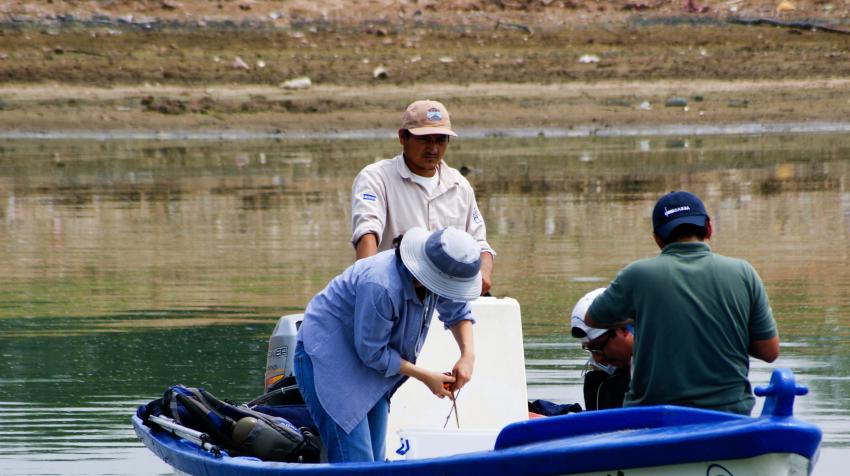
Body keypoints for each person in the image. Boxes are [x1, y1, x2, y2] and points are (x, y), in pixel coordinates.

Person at [293, 227, 480, 463]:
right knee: (357, 463)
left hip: (371, 362)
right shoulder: (381, 285)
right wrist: (426, 377)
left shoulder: (435, 273)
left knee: (377, 464)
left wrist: (467, 356)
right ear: (427, 278)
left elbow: (458, 309)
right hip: (329, 357)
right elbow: (373, 352)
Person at [585, 191, 780, 415]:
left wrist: (649, 314)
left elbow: (594, 318)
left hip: (653, 417)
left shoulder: (637, 275)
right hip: (729, 415)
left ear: (657, 238)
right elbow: (769, 351)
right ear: (709, 228)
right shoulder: (744, 273)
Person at [350, 99, 495, 294]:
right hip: (394, 290)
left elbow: (479, 244)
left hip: (448, 291)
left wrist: (484, 274)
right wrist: (367, 287)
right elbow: (367, 233)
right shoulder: (376, 177)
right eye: (425, 139)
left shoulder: (460, 185)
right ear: (403, 137)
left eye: (440, 140)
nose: (433, 149)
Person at [570, 288, 633, 411]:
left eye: (598, 348)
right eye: (590, 350)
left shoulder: (663, 367)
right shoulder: (601, 382)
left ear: (623, 329)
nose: (597, 358)